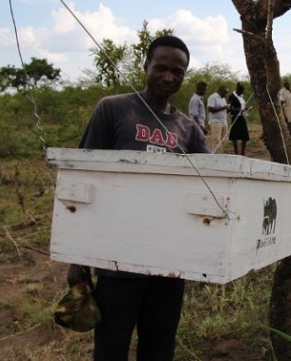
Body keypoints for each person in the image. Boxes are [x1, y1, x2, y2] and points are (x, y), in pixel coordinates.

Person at [66, 35, 209, 361]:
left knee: (159, 349)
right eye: (160, 67)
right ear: (145, 66)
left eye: (178, 71)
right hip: (117, 261)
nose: (168, 77)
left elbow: (211, 184)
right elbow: (83, 178)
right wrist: (77, 255)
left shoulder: (188, 130)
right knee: (111, 348)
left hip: (170, 264)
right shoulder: (113, 109)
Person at [227, 82, 251, 155]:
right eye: (241, 91)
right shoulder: (232, 96)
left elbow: (242, 107)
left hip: (242, 117)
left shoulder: (241, 97)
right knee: (235, 136)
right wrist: (239, 110)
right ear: (238, 90)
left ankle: (242, 152)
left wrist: (247, 108)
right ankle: (236, 153)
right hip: (235, 118)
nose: (242, 93)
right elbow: (229, 108)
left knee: (244, 136)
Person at [206, 85, 229, 153]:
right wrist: (223, 108)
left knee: (224, 139)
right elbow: (210, 109)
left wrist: (228, 109)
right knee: (216, 140)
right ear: (220, 91)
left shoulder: (223, 99)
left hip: (224, 122)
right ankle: (216, 155)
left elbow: (224, 109)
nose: (225, 94)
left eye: (226, 92)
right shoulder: (213, 97)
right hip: (216, 122)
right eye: (224, 92)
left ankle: (220, 153)